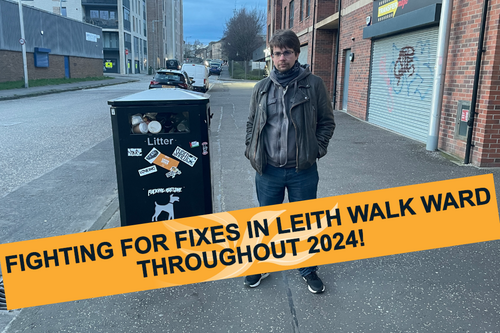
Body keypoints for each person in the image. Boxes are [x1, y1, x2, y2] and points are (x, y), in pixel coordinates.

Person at [244, 29, 336, 294]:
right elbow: (252, 123)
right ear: (271, 56)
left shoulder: (314, 84)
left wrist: (316, 150)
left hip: (302, 170)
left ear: (296, 54)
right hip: (268, 170)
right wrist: (251, 151)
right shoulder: (261, 88)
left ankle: (307, 269)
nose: (281, 57)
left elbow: (327, 122)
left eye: (286, 52)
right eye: (276, 53)